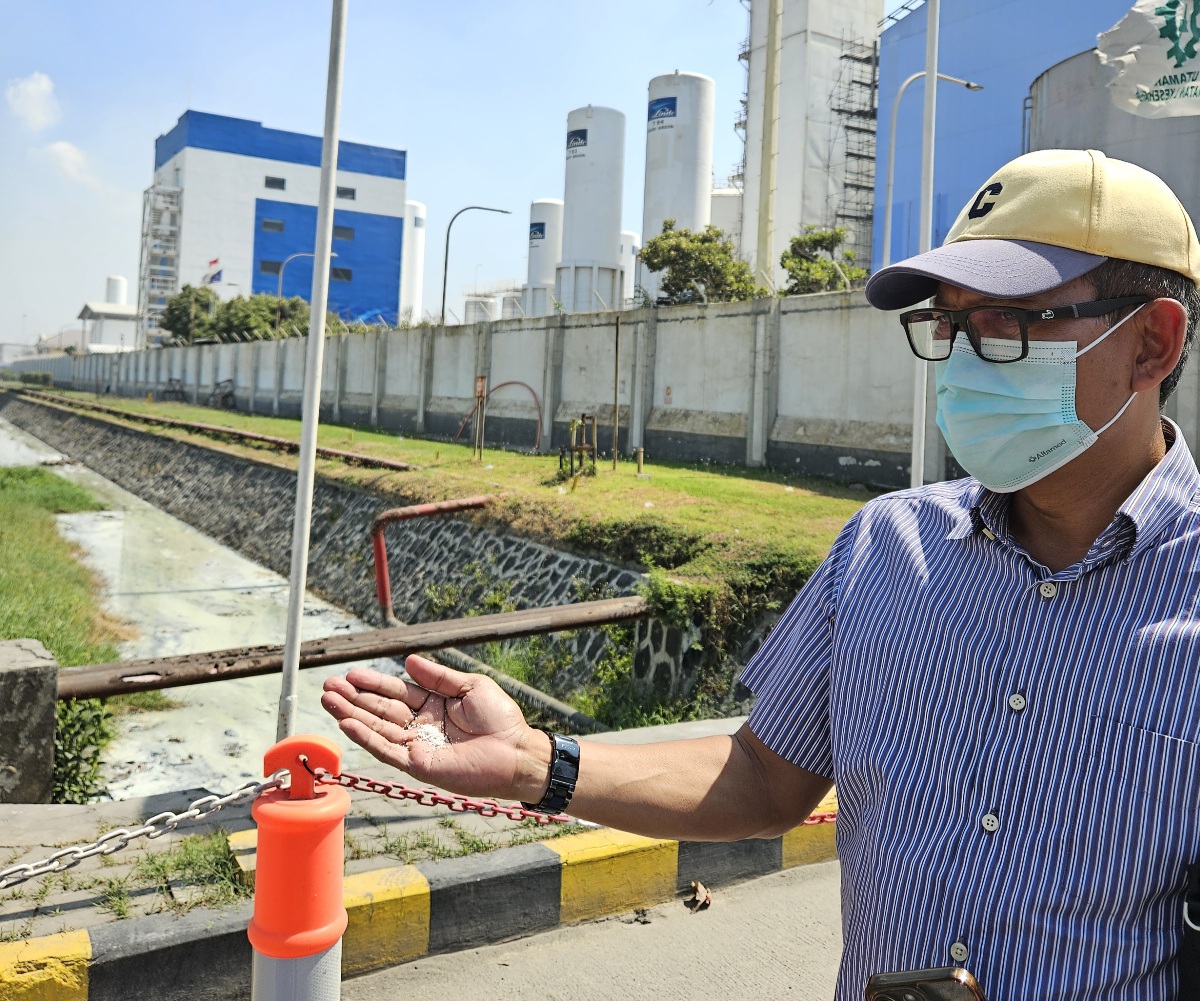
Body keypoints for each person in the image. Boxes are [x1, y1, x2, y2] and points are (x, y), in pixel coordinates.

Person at [322, 148, 1200, 999]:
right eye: (950, 324)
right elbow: (762, 777)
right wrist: (533, 762)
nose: (966, 359)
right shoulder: (886, 551)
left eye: (1008, 321)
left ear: (1151, 344)